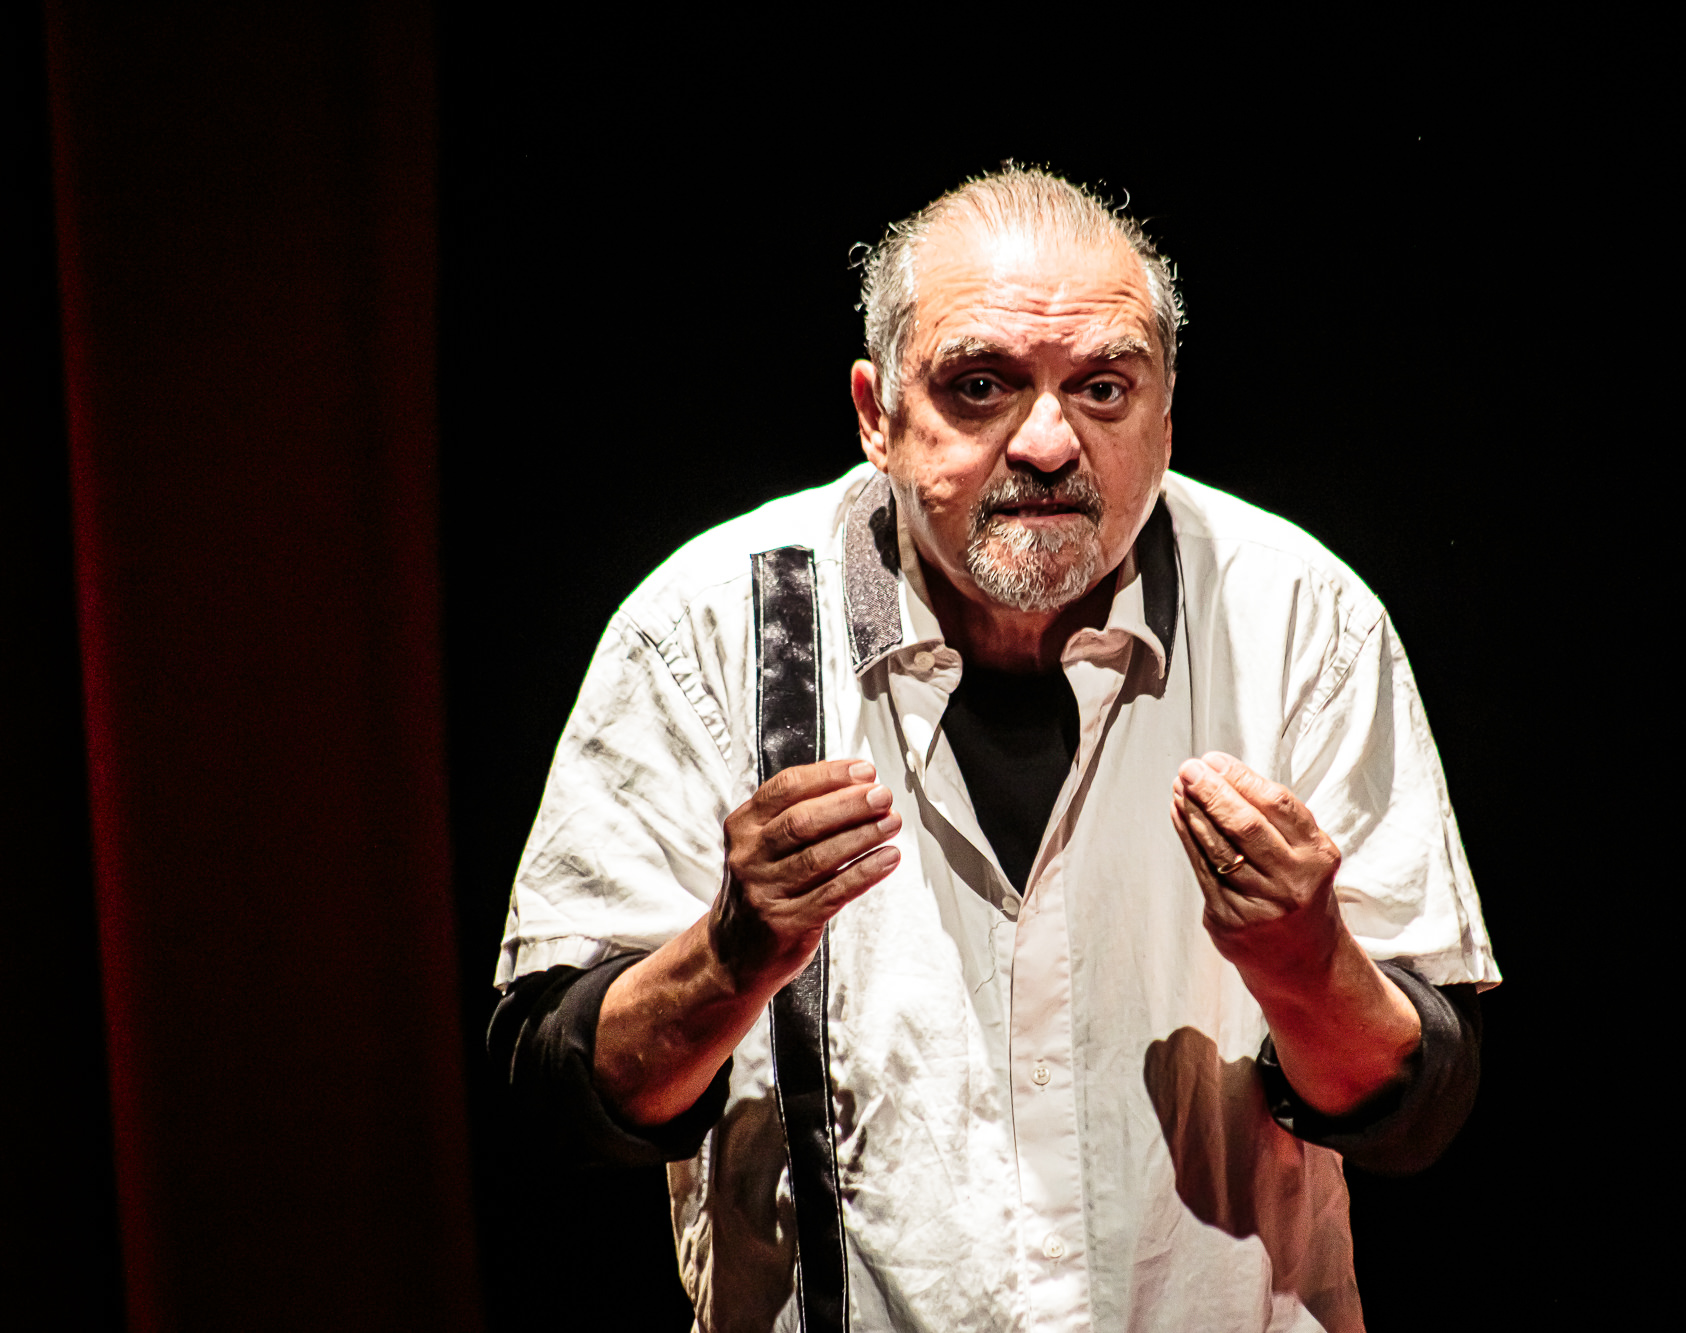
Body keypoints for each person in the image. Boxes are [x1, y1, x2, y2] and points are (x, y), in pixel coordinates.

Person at [491, 165, 1500, 1332]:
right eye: (980, 386)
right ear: (874, 412)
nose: (1048, 441)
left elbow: (1422, 1114)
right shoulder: (710, 630)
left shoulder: (1301, 620)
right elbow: (559, 1097)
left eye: (1103, 388)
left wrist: (1305, 962)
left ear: (1166, 410)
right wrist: (729, 955)